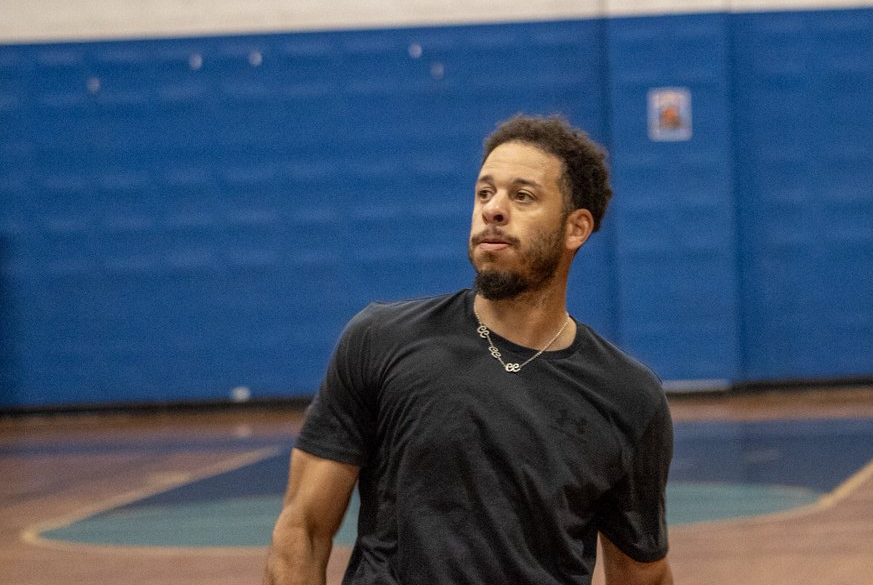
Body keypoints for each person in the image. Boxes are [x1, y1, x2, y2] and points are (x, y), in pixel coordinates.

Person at [263, 114, 674, 585]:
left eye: (522, 196)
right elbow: (302, 531)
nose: (493, 209)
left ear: (576, 229)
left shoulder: (627, 395)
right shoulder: (381, 339)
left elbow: (643, 576)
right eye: (484, 193)